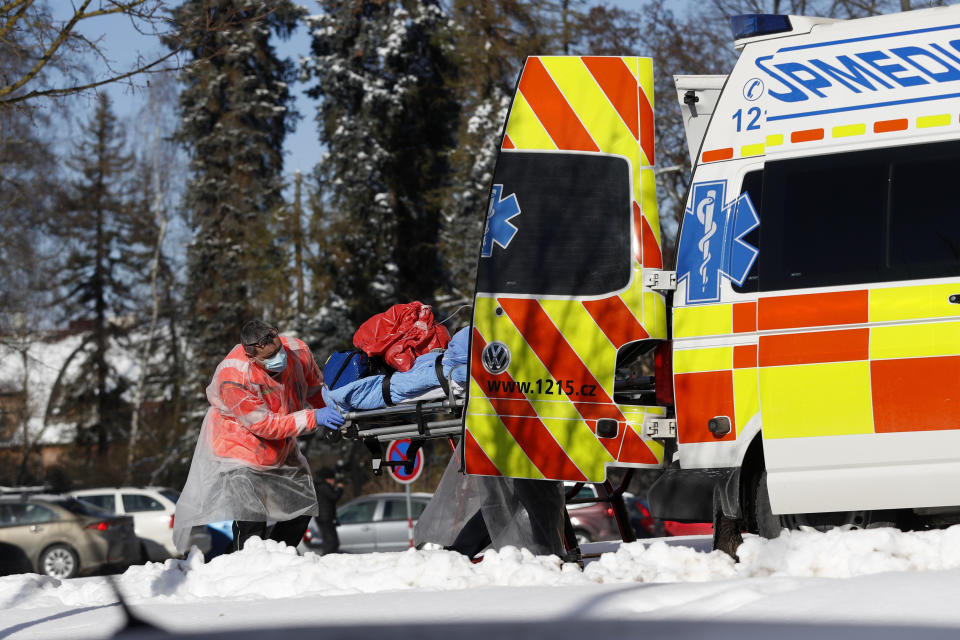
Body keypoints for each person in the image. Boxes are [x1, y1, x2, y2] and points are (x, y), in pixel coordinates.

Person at [172, 320, 345, 553]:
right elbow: (264, 425)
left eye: (279, 349)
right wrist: (314, 418)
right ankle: (249, 567)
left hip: (281, 448)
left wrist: (337, 412)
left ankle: (276, 558)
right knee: (251, 520)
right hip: (240, 450)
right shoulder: (233, 375)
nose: (279, 357)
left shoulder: (297, 351)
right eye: (271, 355)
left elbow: (314, 387)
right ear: (251, 356)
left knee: (301, 509)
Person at [313, 466, 344, 555]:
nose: (334, 481)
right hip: (325, 518)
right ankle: (327, 560)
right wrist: (340, 489)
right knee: (331, 542)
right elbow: (334, 496)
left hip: (324, 517)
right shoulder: (323, 486)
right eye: (333, 479)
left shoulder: (319, 485)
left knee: (331, 542)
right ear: (328, 479)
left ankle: (330, 559)